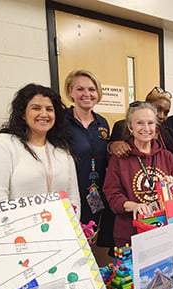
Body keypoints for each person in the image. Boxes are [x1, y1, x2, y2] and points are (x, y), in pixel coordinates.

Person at [0, 83, 80, 219]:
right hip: (18, 235)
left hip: (58, 233)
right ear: (23, 114)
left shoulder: (61, 150)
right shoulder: (2, 144)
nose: (44, 114)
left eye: (49, 109)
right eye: (36, 108)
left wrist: (71, 228)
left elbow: (73, 198)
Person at [103, 102, 173, 246]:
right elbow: (112, 193)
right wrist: (133, 206)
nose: (146, 128)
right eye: (139, 123)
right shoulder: (119, 159)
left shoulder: (168, 157)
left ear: (156, 127)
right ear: (130, 127)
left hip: (164, 232)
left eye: (150, 123)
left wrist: (172, 187)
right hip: (130, 234)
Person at [64, 69, 114, 248]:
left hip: (95, 195)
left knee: (90, 241)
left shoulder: (102, 123)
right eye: (80, 89)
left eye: (92, 89)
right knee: (72, 244)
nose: (87, 94)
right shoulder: (62, 121)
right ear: (70, 92)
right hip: (71, 194)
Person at [108, 87, 173, 158]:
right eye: (158, 110)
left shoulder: (169, 133)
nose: (161, 116)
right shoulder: (122, 126)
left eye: (166, 113)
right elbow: (108, 154)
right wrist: (112, 146)